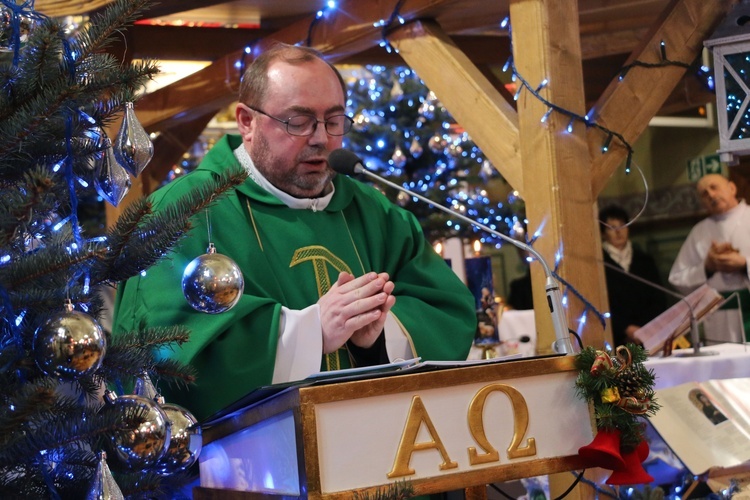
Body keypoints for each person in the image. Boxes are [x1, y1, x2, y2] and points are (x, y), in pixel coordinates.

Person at [112, 43, 477, 421]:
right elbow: (166, 354)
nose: (320, 138)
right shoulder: (185, 211)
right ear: (246, 121)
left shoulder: (373, 212)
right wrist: (312, 330)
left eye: (334, 120)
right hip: (244, 468)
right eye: (298, 122)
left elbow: (444, 312)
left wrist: (379, 336)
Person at [668, 174, 750, 344]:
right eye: (704, 194)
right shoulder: (699, 232)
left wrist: (744, 264)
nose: (711, 195)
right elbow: (677, 278)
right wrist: (707, 268)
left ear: (732, 188)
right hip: (719, 317)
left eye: (714, 187)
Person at [599, 205, 666, 347]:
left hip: (649, 336)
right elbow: (600, 303)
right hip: (616, 340)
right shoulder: (598, 263)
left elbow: (658, 298)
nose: (618, 231)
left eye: (623, 225)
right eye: (612, 227)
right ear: (603, 233)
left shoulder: (645, 260)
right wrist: (626, 329)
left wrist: (645, 329)